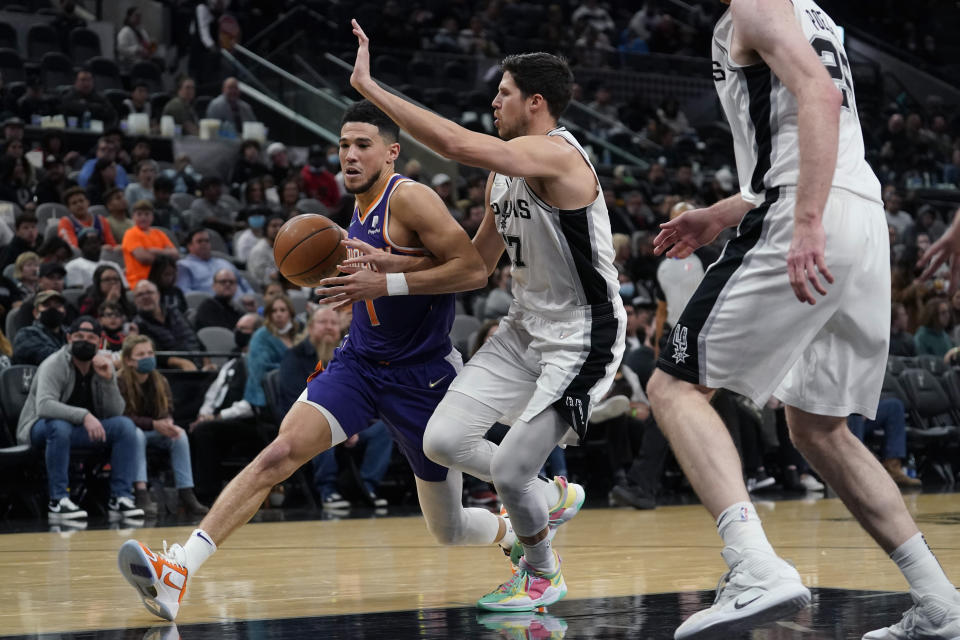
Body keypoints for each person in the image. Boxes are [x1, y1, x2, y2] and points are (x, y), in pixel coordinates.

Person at [118, 99, 550, 622]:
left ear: (391, 153)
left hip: (425, 378)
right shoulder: (353, 209)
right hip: (360, 365)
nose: (349, 154)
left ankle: (520, 520)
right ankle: (179, 569)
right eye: (343, 145)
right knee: (278, 455)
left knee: (450, 528)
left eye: (362, 145)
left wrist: (385, 280)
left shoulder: (411, 199)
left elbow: (471, 272)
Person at [644, 2, 960, 638]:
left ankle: (754, 565)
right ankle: (941, 603)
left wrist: (807, 221)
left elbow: (818, 95)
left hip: (806, 211)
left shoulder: (754, 5)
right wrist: (722, 213)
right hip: (862, 219)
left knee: (673, 387)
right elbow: (803, 135)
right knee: (817, 427)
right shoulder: (810, 13)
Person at [338, 27, 625, 611]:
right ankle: (555, 495)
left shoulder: (557, 155)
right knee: (442, 439)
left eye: (504, 93)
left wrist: (370, 86)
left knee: (512, 472)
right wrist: (395, 261)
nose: (494, 102)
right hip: (524, 327)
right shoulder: (503, 176)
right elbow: (475, 265)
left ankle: (542, 573)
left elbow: (454, 144)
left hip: (581, 333)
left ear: (534, 103)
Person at [17, 315, 144, 521]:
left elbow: (115, 412)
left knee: (125, 427)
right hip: (39, 428)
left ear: (100, 342)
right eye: (79, 336)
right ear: (68, 338)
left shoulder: (103, 365)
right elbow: (44, 406)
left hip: (79, 431)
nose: (84, 341)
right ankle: (58, 500)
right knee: (59, 426)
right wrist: (84, 416)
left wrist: (108, 380)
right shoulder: (54, 364)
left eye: (90, 337)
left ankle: (120, 497)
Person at [118, 334, 209, 516]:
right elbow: (122, 416)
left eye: (150, 353)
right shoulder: (120, 381)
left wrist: (167, 422)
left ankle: (186, 493)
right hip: (131, 434)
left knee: (180, 435)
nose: (148, 358)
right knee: (135, 434)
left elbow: (167, 408)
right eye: (141, 354)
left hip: (155, 431)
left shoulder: (160, 380)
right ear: (128, 360)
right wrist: (153, 424)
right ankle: (141, 493)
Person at [188, 312, 268, 503]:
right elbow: (214, 393)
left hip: (250, 422)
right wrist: (204, 414)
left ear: (256, 333)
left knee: (206, 431)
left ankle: (207, 495)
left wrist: (219, 417)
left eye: (243, 329)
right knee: (191, 428)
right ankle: (190, 494)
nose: (237, 333)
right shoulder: (233, 361)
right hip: (223, 421)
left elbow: (251, 404)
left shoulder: (259, 361)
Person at [132, 279, 210, 372]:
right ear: (135, 301)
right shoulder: (138, 324)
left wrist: (208, 364)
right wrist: (182, 363)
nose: (146, 297)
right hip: (172, 373)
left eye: (149, 292)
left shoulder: (175, 312)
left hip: (199, 367)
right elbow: (155, 354)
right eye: (140, 295)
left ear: (158, 295)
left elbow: (196, 340)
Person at [122, 199, 179, 289]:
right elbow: (145, 259)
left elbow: (175, 255)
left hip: (162, 282)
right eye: (139, 214)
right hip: (140, 282)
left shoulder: (159, 233)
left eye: (147, 214)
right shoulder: (131, 234)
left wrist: (154, 251)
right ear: (133, 217)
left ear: (152, 217)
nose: (143, 218)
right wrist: (165, 254)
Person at [177, 228, 252, 295]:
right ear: (190, 246)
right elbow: (184, 292)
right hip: (210, 306)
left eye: (207, 241)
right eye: (199, 241)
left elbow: (245, 285)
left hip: (242, 305)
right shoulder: (184, 266)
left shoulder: (224, 262)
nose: (204, 244)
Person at [11, 290, 67, 365]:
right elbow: (49, 358)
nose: (53, 309)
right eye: (46, 305)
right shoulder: (26, 334)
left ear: (64, 312)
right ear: (35, 312)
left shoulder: (70, 333)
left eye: (58, 305)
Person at [246, 214, 284, 289]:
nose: (278, 229)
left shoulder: (284, 246)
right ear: (265, 229)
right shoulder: (259, 250)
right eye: (274, 226)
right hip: (264, 289)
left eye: (281, 226)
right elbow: (264, 278)